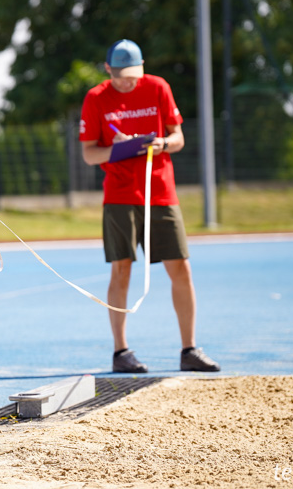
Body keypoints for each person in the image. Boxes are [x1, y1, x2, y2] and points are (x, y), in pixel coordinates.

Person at [79, 39, 220, 374]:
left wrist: (161, 144)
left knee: (181, 267)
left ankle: (189, 349)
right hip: (119, 196)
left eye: (134, 74)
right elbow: (88, 153)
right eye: (121, 75)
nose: (129, 81)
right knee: (122, 268)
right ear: (107, 69)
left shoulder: (158, 87)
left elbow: (178, 138)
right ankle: (121, 352)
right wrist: (122, 151)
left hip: (160, 191)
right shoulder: (96, 98)